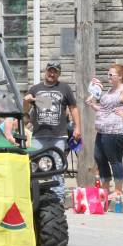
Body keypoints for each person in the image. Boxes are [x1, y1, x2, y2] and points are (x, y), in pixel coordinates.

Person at [24, 61, 81, 202]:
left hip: (58, 135)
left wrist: (77, 127)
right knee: (32, 166)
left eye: (55, 71)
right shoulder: (35, 88)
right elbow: (24, 111)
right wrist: (26, 101)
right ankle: (32, 195)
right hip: (39, 135)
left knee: (58, 166)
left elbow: (73, 108)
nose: (52, 74)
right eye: (50, 70)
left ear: (59, 73)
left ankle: (59, 198)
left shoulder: (64, 88)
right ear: (46, 71)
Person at [86, 64, 123, 199]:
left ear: (120, 76)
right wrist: (93, 105)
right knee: (99, 157)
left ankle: (118, 190)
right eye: (108, 74)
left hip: (117, 131)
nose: (108, 77)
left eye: (111, 75)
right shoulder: (111, 90)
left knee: (114, 159)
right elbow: (105, 109)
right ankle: (105, 189)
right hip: (103, 130)